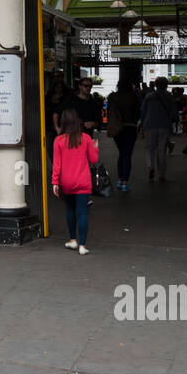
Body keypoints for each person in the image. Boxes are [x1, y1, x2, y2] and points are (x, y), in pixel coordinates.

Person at [52, 105, 99, 255]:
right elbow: (93, 159)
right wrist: (95, 147)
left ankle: (73, 240)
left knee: (70, 210)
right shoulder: (85, 138)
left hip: (66, 182)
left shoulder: (58, 140)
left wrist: (54, 182)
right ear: (77, 122)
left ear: (64, 123)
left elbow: (57, 165)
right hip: (83, 181)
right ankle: (83, 246)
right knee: (82, 212)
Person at [139, 77, 178, 181]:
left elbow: (143, 111)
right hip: (164, 125)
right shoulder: (169, 96)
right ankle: (161, 174)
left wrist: (142, 123)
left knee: (149, 148)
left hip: (149, 124)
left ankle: (151, 166)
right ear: (166, 85)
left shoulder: (149, 96)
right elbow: (174, 112)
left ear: (156, 85)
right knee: (161, 150)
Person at [105, 80, 141, 192]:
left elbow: (108, 110)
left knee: (122, 153)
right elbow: (138, 112)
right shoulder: (134, 97)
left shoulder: (112, 96)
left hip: (117, 128)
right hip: (130, 127)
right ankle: (124, 181)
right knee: (126, 154)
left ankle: (120, 179)